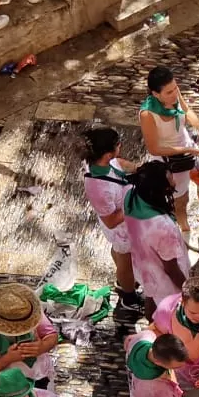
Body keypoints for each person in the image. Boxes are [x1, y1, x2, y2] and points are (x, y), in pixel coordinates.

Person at [138, 65, 199, 236]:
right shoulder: (147, 114)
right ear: (156, 94)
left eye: (175, 88)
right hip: (171, 160)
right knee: (181, 200)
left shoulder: (174, 94)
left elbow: (186, 111)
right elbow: (154, 148)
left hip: (188, 148)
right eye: (169, 92)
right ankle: (185, 230)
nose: (175, 94)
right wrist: (186, 149)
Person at [79, 127, 144, 308]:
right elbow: (111, 220)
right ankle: (129, 296)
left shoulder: (101, 161)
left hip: (124, 224)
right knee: (125, 259)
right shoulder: (98, 188)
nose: (120, 146)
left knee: (120, 252)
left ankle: (124, 281)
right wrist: (135, 204)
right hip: (121, 228)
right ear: (107, 153)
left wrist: (139, 169)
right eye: (117, 145)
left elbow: (119, 163)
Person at [123, 160, 192, 309]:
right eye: (170, 180)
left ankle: (151, 322)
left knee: (151, 295)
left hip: (144, 266)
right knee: (165, 310)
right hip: (165, 282)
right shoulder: (163, 227)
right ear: (159, 189)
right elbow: (171, 269)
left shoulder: (131, 196)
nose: (174, 183)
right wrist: (187, 291)